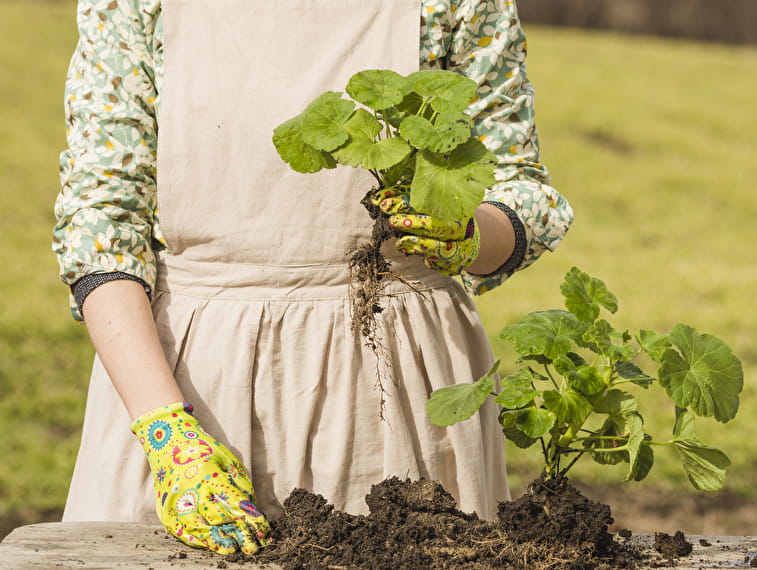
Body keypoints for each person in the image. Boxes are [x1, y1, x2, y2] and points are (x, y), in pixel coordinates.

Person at [53, 0, 572, 555]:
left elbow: (521, 191)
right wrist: (166, 433)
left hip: (399, 386)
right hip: (185, 386)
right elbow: (102, 221)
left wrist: (470, 233)